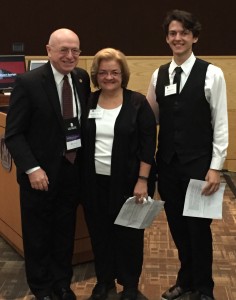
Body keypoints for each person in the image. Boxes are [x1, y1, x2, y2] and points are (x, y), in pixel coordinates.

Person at [146, 9, 228, 300]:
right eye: (172, 33)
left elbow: (220, 124)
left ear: (194, 37)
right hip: (167, 166)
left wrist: (216, 167)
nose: (177, 38)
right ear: (167, 38)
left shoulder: (212, 74)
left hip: (199, 167)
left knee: (199, 230)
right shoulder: (159, 74)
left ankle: (204, 288)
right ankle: (186, 280)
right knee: (178, 229)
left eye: (183, 33)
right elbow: (149, 118)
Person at [5, 28, 91, 300]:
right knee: (38, 235)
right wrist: (32, 168)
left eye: (75, 50)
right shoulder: (28, 82)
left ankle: (62, 284)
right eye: (63, 49)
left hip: (71, 171)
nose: (70, 55)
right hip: (39, 177)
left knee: (65, 232)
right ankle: (41, 288)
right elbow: (14, 134)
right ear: (49, 50)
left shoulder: (81, 78)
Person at [82, 48, 157, 300]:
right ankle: (104, 281)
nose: (109, 77)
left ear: (122, 74)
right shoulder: (89, 101)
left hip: (129, 183)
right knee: (100, 233)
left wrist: (143, 180)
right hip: (94, 182)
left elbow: (148, 145)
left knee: (129, 235)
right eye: (103, 72)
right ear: (96, 75)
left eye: (114, 72)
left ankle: (130, 285)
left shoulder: (137, 103)